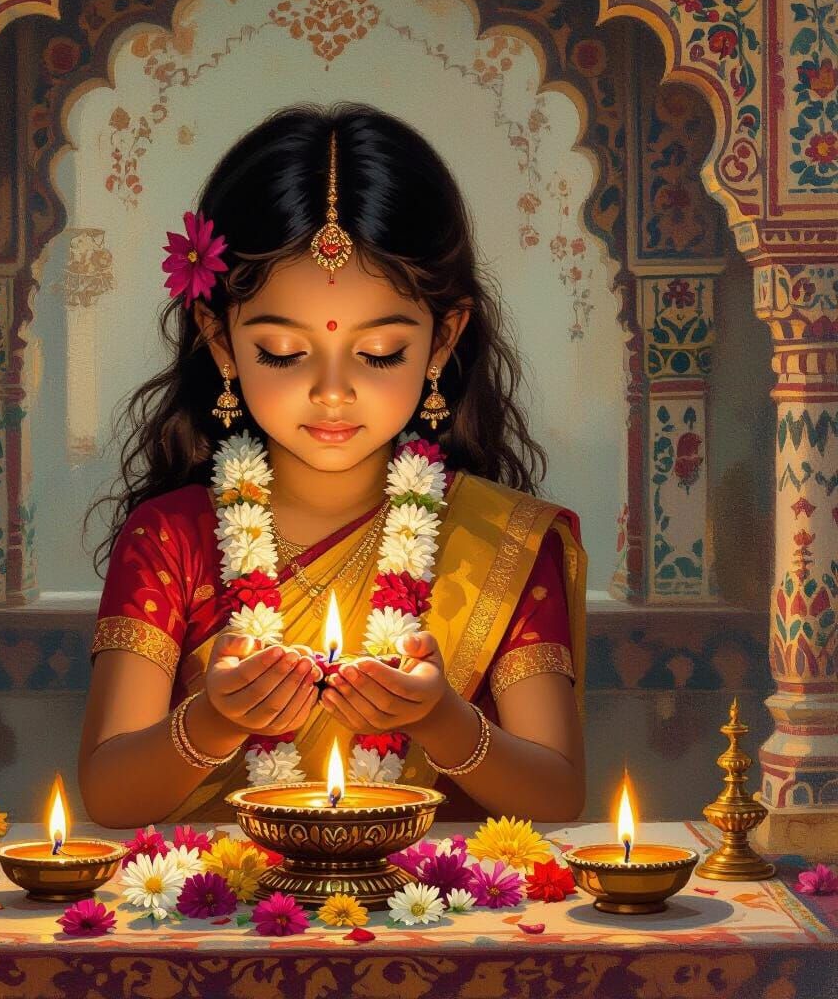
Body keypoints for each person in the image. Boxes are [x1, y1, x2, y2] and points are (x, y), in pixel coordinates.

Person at [78, 102, 586, 830]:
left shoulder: (503, 545)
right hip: (222, 897)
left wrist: (441, 721)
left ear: (443, 340)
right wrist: (214, 722)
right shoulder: (170, 541)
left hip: (430, 896)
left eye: (379, 354)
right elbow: (107, 793)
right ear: (220, 341)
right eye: (283, 353)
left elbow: (559, 794)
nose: (332, 391)